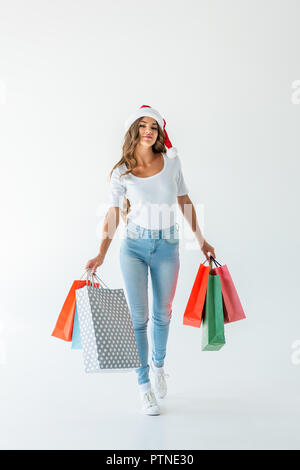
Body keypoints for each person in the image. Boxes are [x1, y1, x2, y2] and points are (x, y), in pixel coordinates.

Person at [85, 105, 216, 416]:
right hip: (133, 247)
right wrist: (101, 252)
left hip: (168, 245)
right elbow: (114, 213)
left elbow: (184, 202)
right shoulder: (122, 172)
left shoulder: (171, 164)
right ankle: (144, 385)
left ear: (159, 133)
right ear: (134, 130)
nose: (148, 131)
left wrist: (202, 241)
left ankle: (158, 366)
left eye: (153, 127)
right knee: (138, 319)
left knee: (163, 314)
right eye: (142, 125)